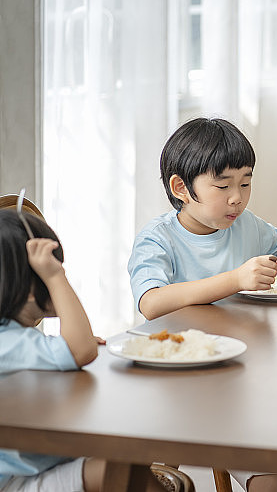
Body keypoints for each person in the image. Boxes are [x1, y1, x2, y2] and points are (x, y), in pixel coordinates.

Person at [127, 117, 277, 492]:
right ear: (181, 188)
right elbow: (151, 303)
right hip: (173, 386)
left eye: (245, 183)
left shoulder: (244, 224)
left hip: (238, 383)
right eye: (223, 186)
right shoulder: (158, 239)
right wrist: (234, 279)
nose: (237, 197)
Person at [0, 209, 185, 492]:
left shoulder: (14, 337)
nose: (62, 281)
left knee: (129, 458)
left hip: (42, 460)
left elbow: (73, 350)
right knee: (117, 466)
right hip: (17, 481)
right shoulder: (7, 343)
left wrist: (72, 346)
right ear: (30, 289)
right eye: (54, 272)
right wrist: (56, 279)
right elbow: (80, 350)